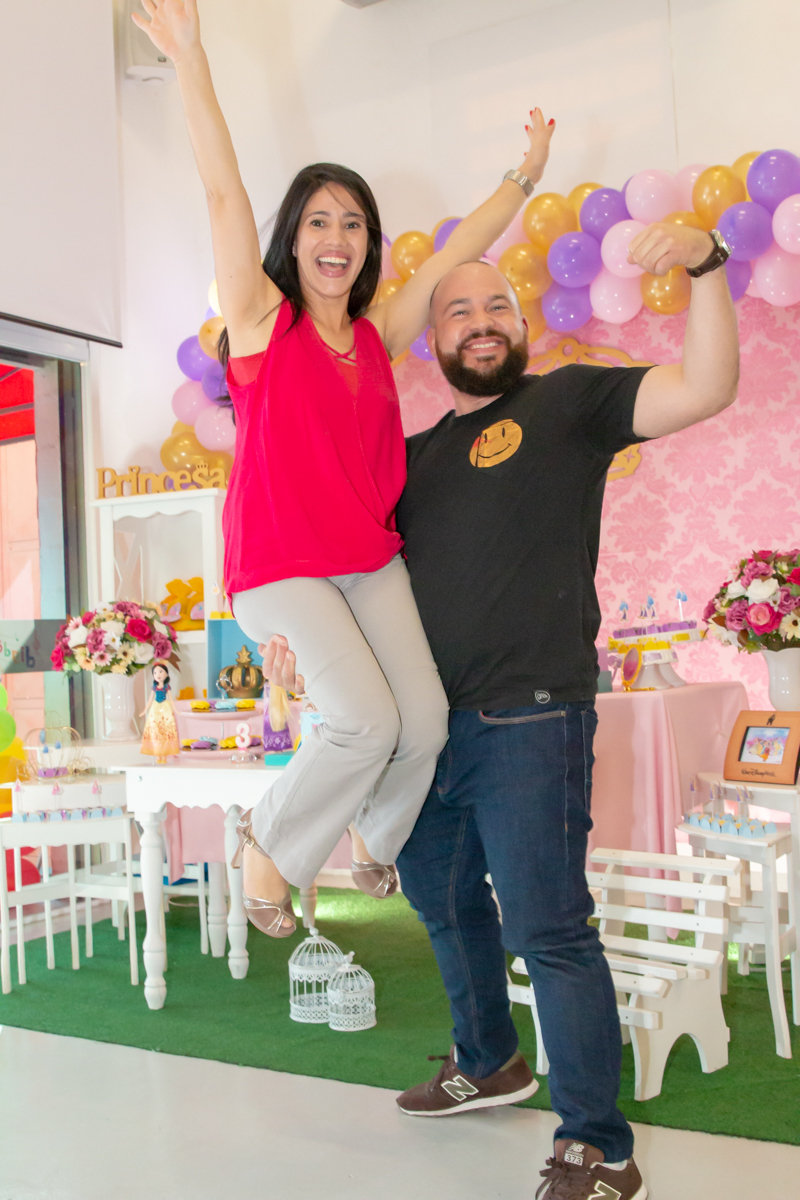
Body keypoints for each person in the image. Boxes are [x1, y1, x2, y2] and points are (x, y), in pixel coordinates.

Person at [263, 219, 739, 1199]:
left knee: (547, 929)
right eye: (456, 309)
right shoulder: (404, 460)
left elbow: (704, 386)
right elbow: (342, 567)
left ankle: (596, 1145)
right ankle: (486, 1062)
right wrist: (288, 626)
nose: (479, 321)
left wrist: (703, 268)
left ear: (521, 323)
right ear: (430, 342)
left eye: (495, 306)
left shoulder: (568, 401)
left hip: (529, 718)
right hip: (426, 729)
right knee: (443, 911)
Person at [133, 0, 555, 939]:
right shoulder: (260, 323)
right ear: (295, 238)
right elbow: (222, 194)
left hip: (367, 558)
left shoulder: (374, 334)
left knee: (426, 722)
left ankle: (375, 836)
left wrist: (522, 178)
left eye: (355, 224)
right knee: (365, 721)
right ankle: (266, 847)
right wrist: (192, 60)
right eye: (320, 221)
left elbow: (454, 252)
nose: (338, 237)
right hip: (281, 563)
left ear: (368, 245)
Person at [140, 661, 179, 763]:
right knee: (155, 730)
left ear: (166, 673)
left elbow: (171, 699)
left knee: (166, 730)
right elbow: (149, 700)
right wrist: (144, 710)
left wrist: (176, 710)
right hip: (155, 708)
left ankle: (165, 754)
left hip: (165, 708)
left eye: (161, 672)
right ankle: (157, 754)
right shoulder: (154, 687)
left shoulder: (167, 687)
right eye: (155, 673)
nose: (158, 675)